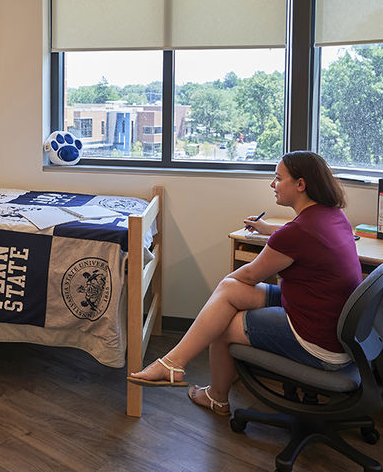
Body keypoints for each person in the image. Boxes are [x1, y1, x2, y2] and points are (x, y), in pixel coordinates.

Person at [127, 151, 362, 416]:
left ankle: (215, 396)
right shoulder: (332, 215)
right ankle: (173, 363)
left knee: (223, 323)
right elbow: (302, 236)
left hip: (319, 344)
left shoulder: (298, 232)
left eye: (278, 178)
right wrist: (268, 231)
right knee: (229, 292)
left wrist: (226, 287)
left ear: (300, 184)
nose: (272, 184)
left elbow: (251, 275)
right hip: (333, 326)